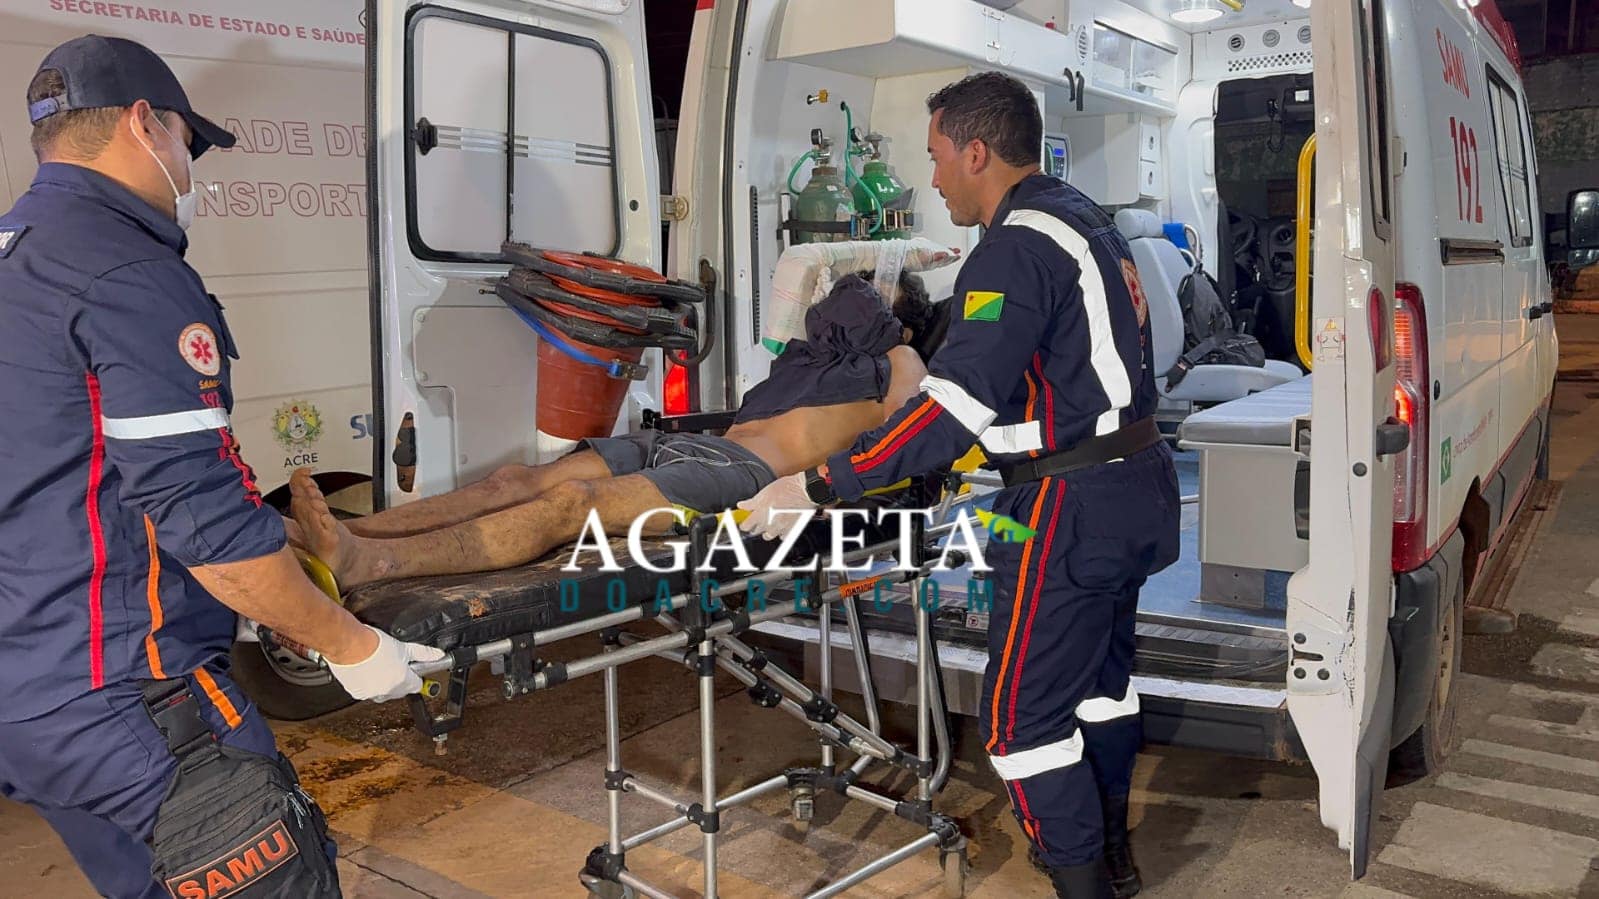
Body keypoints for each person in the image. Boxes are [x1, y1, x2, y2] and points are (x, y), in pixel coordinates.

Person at [0, 36, 443, 898]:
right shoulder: (126, 272)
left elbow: (73, 473)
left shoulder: (20, 256)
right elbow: (203, 521)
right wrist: (351, 645)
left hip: (32, 688)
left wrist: (276, 572)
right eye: (186, 142)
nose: (189, 168)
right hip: (135, 703)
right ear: (143, 124)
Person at [737, 72, 1180, 899]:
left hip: (1068, 505)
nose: (933, 177)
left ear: (976, 152)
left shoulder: (1010, 249)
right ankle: (1109, 851)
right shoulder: (1082, 218)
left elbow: (952, 410)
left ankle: (1086, 883)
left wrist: (820, 484)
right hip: (1135, 481)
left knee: (1019, 726)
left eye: (937, 156)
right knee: (1100, 687)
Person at [287, 272, 941, 590]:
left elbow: (908, 429)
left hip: (744, 477)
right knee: (514, 480)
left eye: (875, 297)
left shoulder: (902, 360)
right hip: (699, 445)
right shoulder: (814, 356)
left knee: (570, 505)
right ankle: (354, 534)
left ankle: (372, 563)